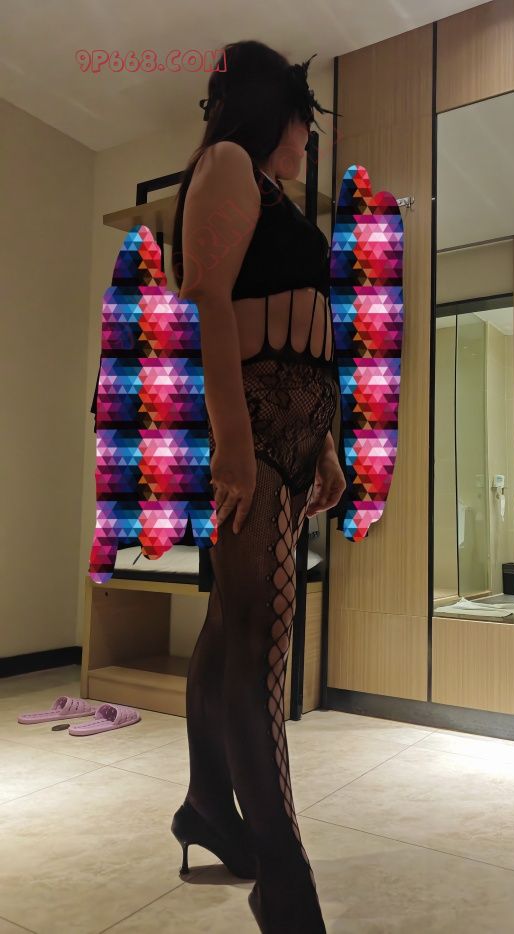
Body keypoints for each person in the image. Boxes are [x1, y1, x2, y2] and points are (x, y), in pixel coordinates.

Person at [169, 41, 345, 933]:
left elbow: (308, 332)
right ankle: (283, 872)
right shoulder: (229, 163)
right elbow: (210, 303)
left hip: (294, 437)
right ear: (273, 107)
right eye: (304, 117)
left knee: (230, 626)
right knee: (260, 637)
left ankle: (208, 801)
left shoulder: (272, 190)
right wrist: (235, 444)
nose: (309, 135)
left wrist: (326, 443)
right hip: (258, 434)